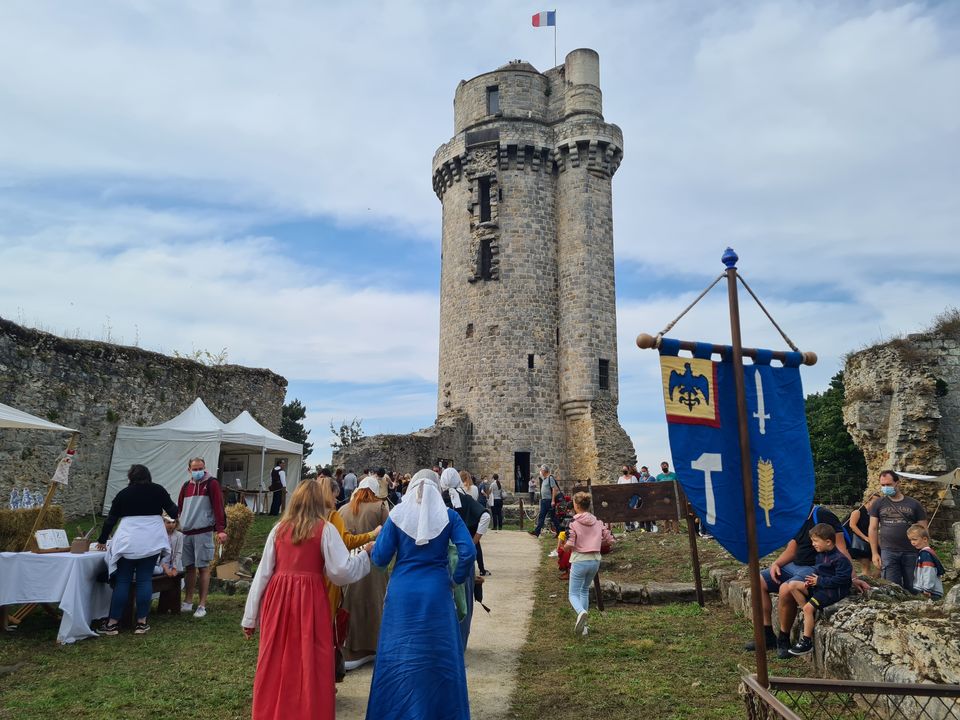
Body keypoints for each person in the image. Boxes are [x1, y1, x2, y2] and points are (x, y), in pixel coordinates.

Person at [242, 479, 372, 720]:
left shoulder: (278, 529)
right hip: (310, 599)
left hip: (277, 599)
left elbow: (263, 574)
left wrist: (250, 618)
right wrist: (365, 555)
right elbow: (340, 572)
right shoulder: (325, 530)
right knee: (309, 659)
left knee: (276, 658)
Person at [365, 469, 475, 719]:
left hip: (402, 593)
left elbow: (380, 558)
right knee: (439, 658)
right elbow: (468, 552)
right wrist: (456, 579)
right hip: (436, 591)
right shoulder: (448, 517)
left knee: (399, 655)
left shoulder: (397, 515)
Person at [745, 503, 865, 659]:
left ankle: (784, 638)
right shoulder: (796, 517)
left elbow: (840, 548)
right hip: (795, 565)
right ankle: (767, 634)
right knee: (758, 580)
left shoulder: (823, 515)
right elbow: (793, 548)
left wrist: (853, 578)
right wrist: (776, 564)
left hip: (814, 567)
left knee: (785, 589)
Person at [96, 464, 179, 636]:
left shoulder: (123, 494)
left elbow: (111, 519)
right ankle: (142, 622)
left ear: (130, 477)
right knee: (144, 580)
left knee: (123, 581)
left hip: (128, 541)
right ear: (148, 476)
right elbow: (173, 511)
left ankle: (112, 623)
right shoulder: (158, 490)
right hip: (151, 540)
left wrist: (102, 539)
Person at [338, 478, 390, 670]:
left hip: (349, 561)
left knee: (351, 603)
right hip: (373, 561)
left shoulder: (343, 510)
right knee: (375, 602)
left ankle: (352, 648)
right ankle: (373, 647)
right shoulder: (380, 507)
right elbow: (389, 535)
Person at [783, 523, 853, 657]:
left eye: (815, 541)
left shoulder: (840, 559)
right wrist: (811, 581)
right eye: (812, 541)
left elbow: (843, 580)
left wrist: (819, 581)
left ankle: (806, 642)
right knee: (792, 585)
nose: (813, 544)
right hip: (821, 587)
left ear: (828, 542)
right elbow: (819, 570)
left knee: (809, 608)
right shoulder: (821, 555)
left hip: (833, 591)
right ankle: (807, 611)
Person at [441, 469, 491, 647]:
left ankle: (447, 643)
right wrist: (474, 540)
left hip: (441, 557)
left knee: (445, 600)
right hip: (464, 555)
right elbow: (485, 515)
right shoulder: (465, 500)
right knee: (465, 600)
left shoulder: (437, 499)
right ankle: (461, 642)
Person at [177, 457, 228, 618]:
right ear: (189, 470)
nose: (198, 471)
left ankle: (202, 604)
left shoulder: (211, 483)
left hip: (203, 531)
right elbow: (180, 508)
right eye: (195, 469)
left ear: (204, 468)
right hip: (187, 532)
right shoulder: (186, 486)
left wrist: (220, 529)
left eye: (201, 468)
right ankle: (188, 600)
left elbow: (218, 506)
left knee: (203, 567)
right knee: (189, 567)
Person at [564, 492, 615, 637]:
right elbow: (610, 540)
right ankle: (584, 627)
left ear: (576, 506)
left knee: (573, 593)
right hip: (594, 560)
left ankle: (581, 612)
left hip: (579, 560)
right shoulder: (598, 522)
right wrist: (597, 543)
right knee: (584, 590)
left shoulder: (573, 523)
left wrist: (563, 546)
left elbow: (570, 543)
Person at [868, 470, 928, 592]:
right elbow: (873, 528)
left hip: (911, 551)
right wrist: (874, 553)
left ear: (897, 483)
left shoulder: (914, 504)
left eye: (888, 484)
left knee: (914, 587)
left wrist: (926, 551)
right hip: (888, 551)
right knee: (891, 588)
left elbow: (924, 529)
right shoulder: (878, 503)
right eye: (883, 485)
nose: (885, 488)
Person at [844, 493, 880, 575]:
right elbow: (852, 525)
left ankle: (871, 579)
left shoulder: (872, 514)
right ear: (868, 501)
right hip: (858, 542)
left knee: (878, 565)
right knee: (866, 564)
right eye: (875, 501)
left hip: (868, 542)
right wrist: (864, 537)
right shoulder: (858, 511)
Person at [908, 524, 945, 599]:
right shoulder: (925, 553)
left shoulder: (925, 555)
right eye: (910, 540)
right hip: (929, 590)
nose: (912, 542)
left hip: (931, 592)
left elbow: (929, 572)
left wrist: (927, 589)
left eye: (914, 539)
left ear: (925, 539)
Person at [529, 465, 562, 538]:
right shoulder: (544, 479)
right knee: (542, 516)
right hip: (544, 501)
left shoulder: (550, 478)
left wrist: (553, 500)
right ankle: (536, 532)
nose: (540, 471)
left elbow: (554, 489)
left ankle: (559, 532)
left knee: (553, 517)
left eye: (541, 470)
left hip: (549, 500)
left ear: (544, 471)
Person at [154, 512, 183, 578]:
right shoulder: (160, 535)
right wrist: (163, 566)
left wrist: (174, 567)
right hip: (162, 565)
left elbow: (178, 552)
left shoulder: (179, 535)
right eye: (168, 522)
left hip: (175, 563)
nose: (171, 525)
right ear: (163, 523)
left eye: (173, 522)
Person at [655, 461, 679, 533]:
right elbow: (656, 487)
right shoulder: (659, 477)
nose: (664, 467)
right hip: (663, 497)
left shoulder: (674, 475)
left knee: (674, 514)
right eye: (662, 466)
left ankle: (676, 531)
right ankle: (666, 530)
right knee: (665, 514)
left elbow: (678, 485)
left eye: (665, 466)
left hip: (673, 496)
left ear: (668, 466)